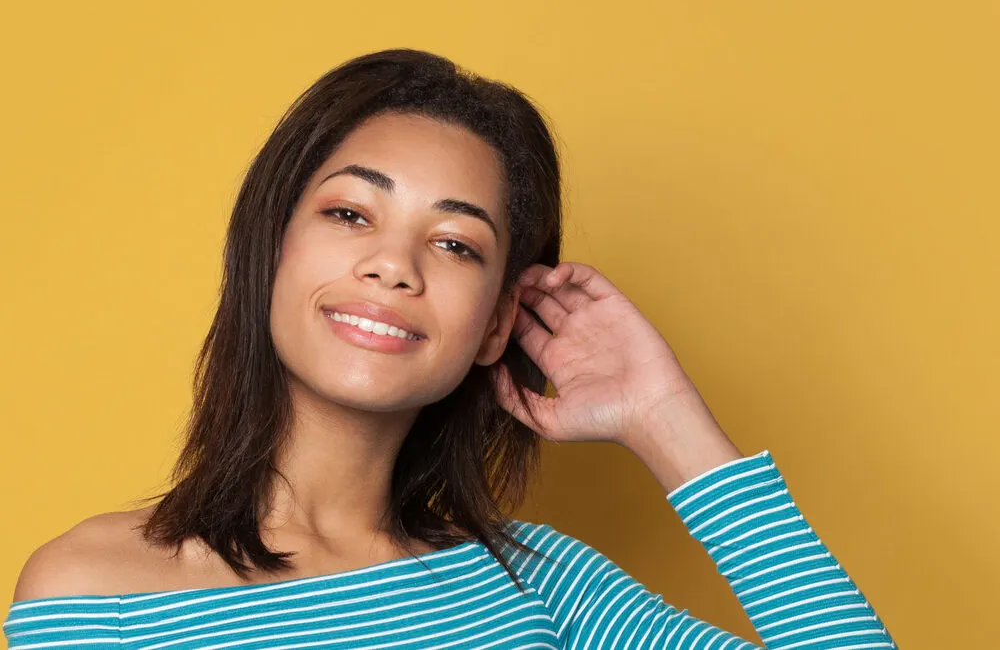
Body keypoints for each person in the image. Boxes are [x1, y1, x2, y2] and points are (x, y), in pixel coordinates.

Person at [3, 48, 896, 649]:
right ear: (270, 248)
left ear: (498, 324)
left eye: (456, 243)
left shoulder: (545, 584)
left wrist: (668, 423)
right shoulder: (96, 591)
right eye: (351, 213)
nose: (393, 265)